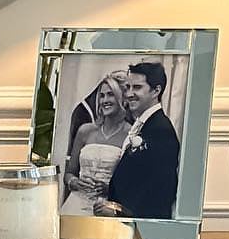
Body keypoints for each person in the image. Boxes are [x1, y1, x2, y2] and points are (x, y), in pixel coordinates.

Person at [99, 61, 181, 220]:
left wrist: (119, 211)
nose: (129, 94)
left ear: (156, 90)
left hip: (141, 229)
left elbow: (161, 190)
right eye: (127, 87)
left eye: (137, 87)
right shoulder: (143, 124)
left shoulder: (161, 130)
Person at [60, 71, 130, 214]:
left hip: (106, 208)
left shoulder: (130, 135)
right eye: (102, 96)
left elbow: (131, 184)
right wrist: (74, 182)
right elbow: (69, 173)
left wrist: (109, 189)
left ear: (122, 98)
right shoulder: (85, 131)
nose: (104, 101)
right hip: (75, 205)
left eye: (110, 94)